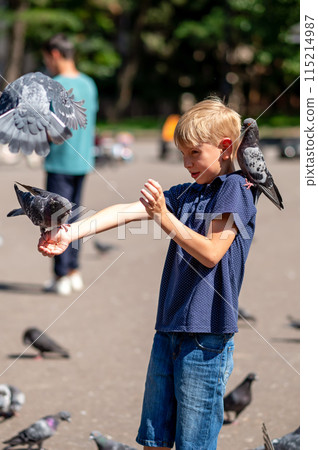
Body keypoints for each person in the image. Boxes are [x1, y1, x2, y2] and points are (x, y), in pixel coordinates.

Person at [38, 96, 257, 449]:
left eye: (194, 154)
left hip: (207, 336)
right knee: (154, 439)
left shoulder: (236, 190)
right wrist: (70, 233)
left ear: (225, 147)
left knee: (194, 443)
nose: (186, 163)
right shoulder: (191, 191)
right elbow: (126, 211)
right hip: (168, 328)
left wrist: (165, 218)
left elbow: (212, 252)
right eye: (182, 154)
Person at [42, 33, 99, 296]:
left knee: (55, 220)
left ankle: (60, 275)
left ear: (54, 54)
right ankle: (74, 270)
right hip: (83, 161)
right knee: (75, 217)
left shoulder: (54, 85)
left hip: (60, 163)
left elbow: (50, 129)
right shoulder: (89, 83)